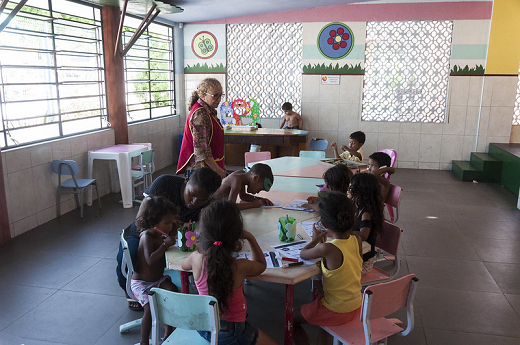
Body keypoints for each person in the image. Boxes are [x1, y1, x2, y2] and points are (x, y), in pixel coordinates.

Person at [116, 167, 221, 311]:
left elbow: (204, 225)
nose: (194, 202)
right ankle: (130, 292)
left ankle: (165, 288)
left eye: (201, 200)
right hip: (142, 232)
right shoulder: (165, 183)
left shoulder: (207, 202)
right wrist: (160, 238)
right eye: (192, 194)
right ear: (187, 180)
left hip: (171, 236)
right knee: (132, 258)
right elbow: (141, 218)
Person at [182, 200, 277, 345]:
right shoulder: (239, 266)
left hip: (204, 327)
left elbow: (183, 265)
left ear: (205, 233)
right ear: (237, 234)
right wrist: (250, 237)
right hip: (232, 333)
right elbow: (261, 265)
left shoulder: (196, 259)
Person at [293, 192, 363, 345]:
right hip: (356, 304)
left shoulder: (327, 248)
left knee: (291, 318)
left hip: (336, 310)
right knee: (322, 316)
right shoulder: (357, 240)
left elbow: (303, 254)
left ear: (324, 224)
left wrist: (315, 240)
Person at [131, 196, 179, 345]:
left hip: (157, 280)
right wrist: (165, 245)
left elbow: (172, 230)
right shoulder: (147, 236)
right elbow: (150, 259)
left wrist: (174, 226)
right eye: (167, 223)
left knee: (173, 291)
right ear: (153, 223)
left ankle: (168, 329)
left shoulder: (160, 233)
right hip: (142, 284)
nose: (170, 226)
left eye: (171, 222)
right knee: (150, 310)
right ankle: (144, 340)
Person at [177, 78, 226, 178]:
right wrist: (219, 171)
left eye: (221, 95)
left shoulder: (208, 111)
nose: (219, 99)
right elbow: (201, 150)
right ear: (203, 95)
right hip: (200, 170)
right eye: (215, 96)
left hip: (209, 167)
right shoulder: (201, 113)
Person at [349, 173, 384, 275]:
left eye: (351, 187)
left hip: (364, 262)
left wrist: (341, 232)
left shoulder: (366, 213)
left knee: (331, 267)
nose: (348, 189)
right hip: (357, 254)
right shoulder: (357, 207)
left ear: (360, 192)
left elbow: (364, 235)